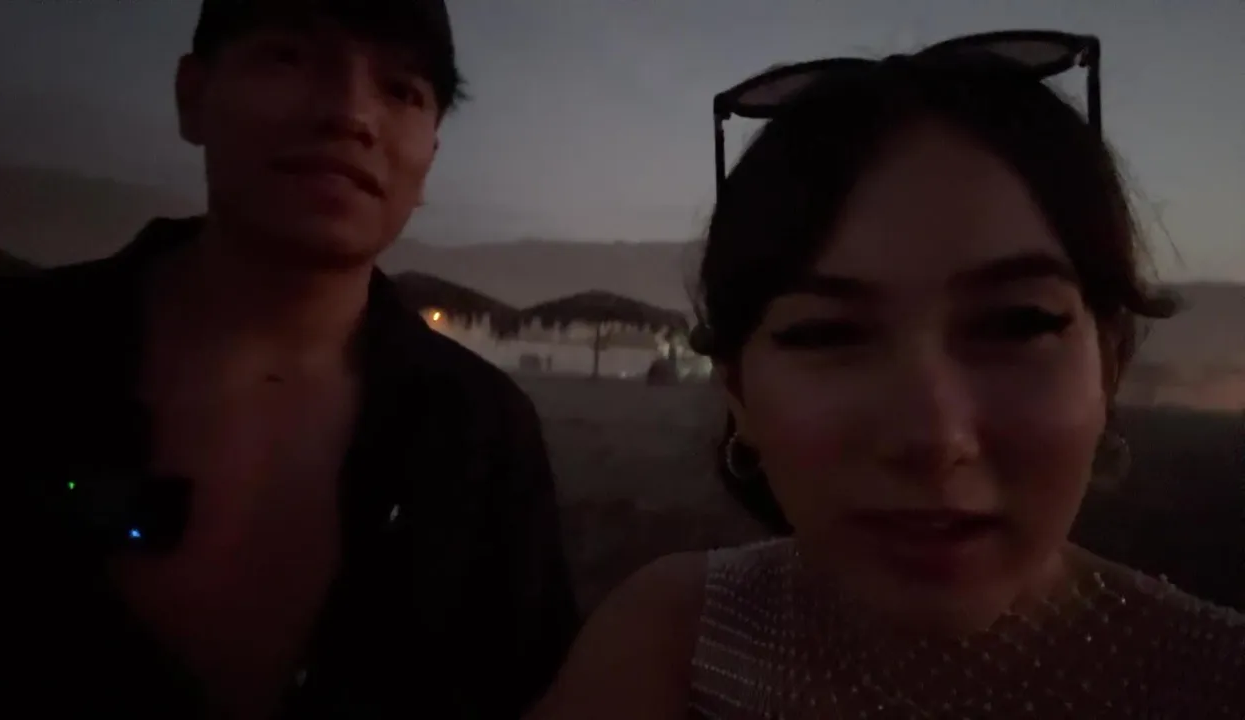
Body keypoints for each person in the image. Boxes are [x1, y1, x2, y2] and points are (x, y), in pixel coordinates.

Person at [527, 51, 1245, 719]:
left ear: (1110, 364)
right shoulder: (668, 642)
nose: (933, 438)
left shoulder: (1215, 678)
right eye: (827, 334)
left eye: (1017, 323)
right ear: (738, 391)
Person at [0, 1, 578, 718]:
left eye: (401, 90)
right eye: (289, 56)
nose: (351, 115)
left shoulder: (482, 431)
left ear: (431, 154)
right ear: (193, 95)